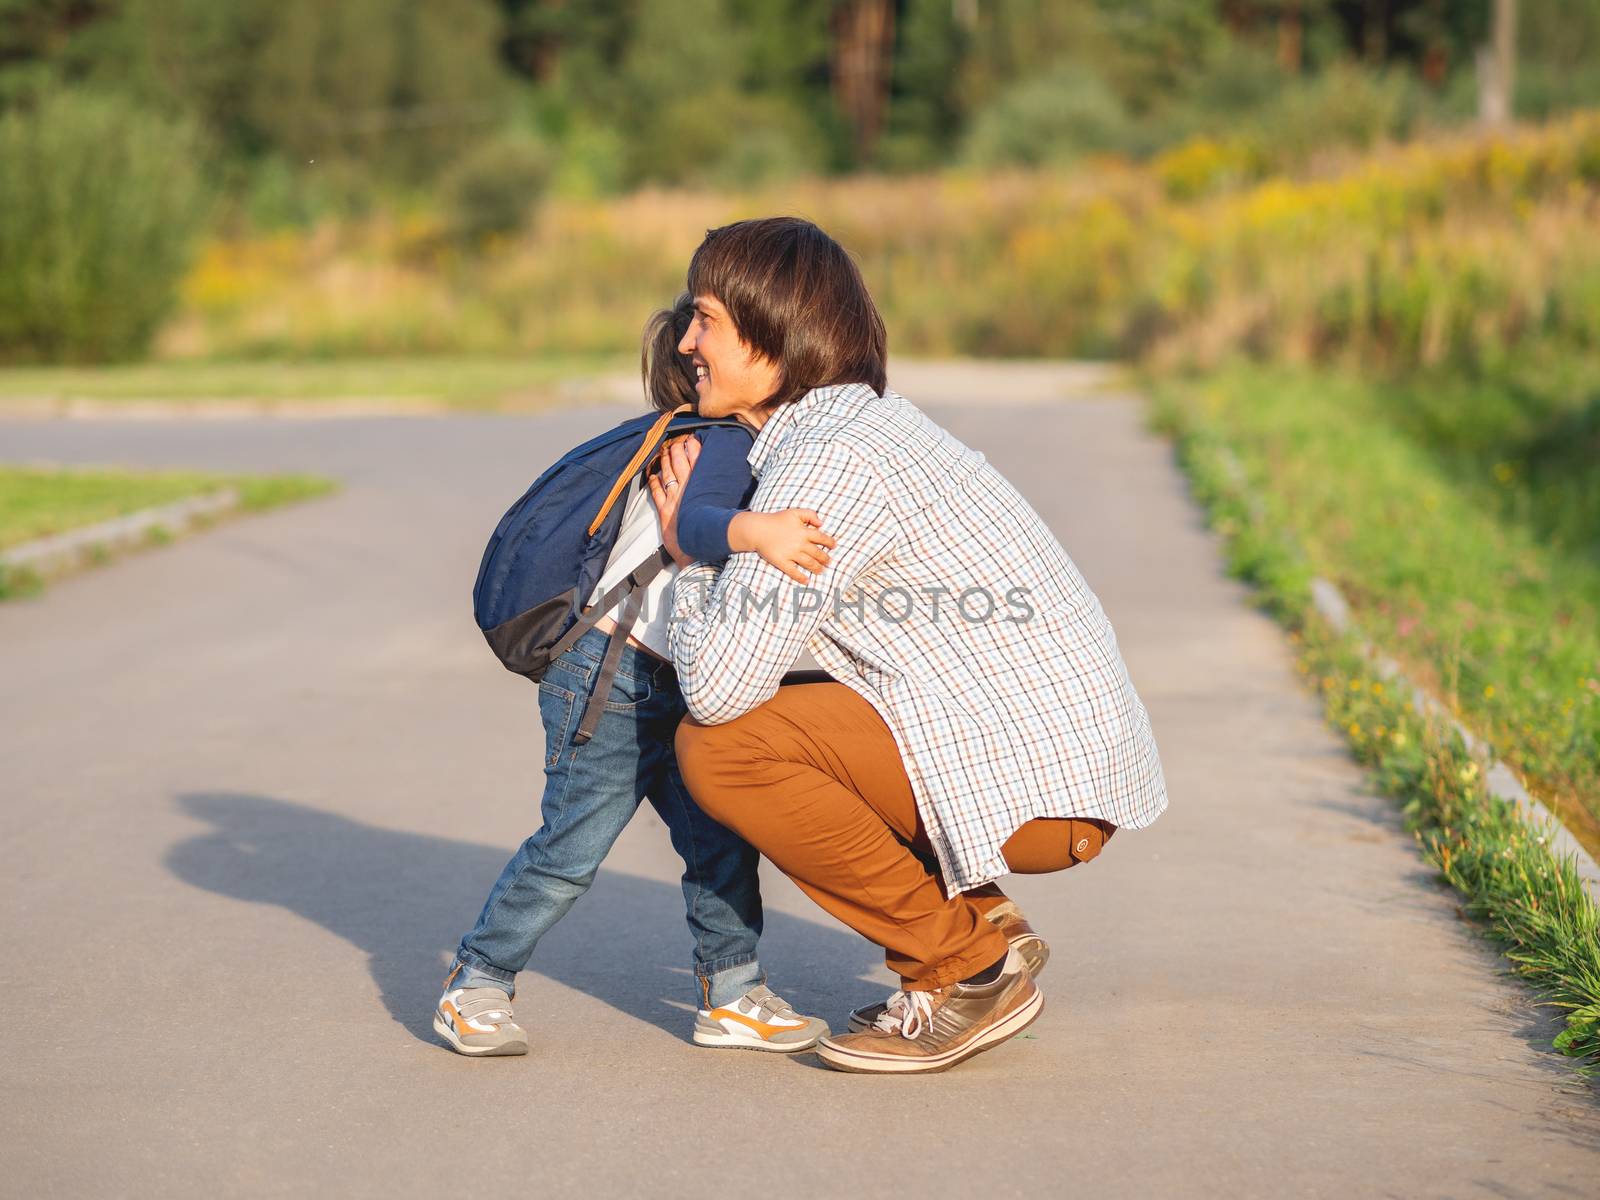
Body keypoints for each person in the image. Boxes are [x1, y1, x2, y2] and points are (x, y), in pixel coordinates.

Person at [650, 217, 1168, 1074]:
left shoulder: (828, 465)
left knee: (725, 748)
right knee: (786, 715)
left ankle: (965, 969)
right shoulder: (862, 424)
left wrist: (695, 551)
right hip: (1053, 757)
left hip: (1041, 790)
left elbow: (716, 686)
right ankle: (982, 922)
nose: (685, 339)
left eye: (704, 318)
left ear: (773, 336)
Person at [434, 293, 837, 1057]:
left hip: (674, 678)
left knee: (718, 840)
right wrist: (766, 532)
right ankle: (477, 981)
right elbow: (694, 529)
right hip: (610, 677)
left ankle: (734, 993)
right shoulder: (718, 443)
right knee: (572, 849)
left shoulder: (715, 442)